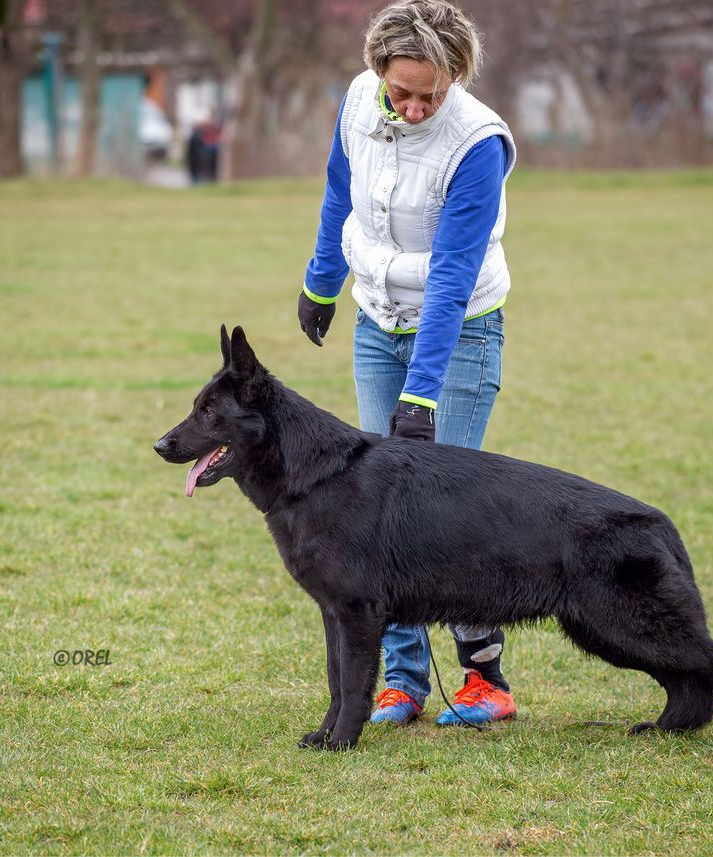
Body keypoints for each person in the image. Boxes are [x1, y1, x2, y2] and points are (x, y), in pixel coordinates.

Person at [297, 0, 519, 727]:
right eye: (403, 92)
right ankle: (400, 681)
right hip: (375, 323)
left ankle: (485, 679)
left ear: (456, 77)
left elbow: (453, 274)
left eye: (433, 92)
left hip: (458, 334)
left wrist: (420, 397)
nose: (416, 107)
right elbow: (339, 191)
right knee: (372, 511)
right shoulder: (360, 102)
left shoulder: (476, 142)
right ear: (376, 73)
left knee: (448, 512)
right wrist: (321, 282)